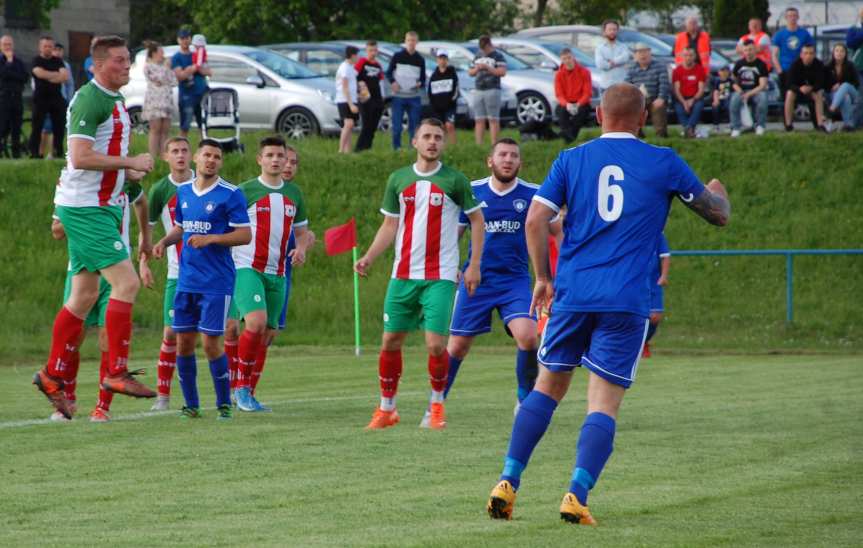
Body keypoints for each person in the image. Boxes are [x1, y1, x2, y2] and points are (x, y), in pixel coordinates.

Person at [485, 82, 730, 524]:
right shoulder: (664, 161)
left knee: (547, 389)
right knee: (603, 405)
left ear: (598, 115)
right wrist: (718, 190)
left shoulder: (571, 158)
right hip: (625, 299)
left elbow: (536, 218)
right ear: (641, 120)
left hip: (574, 294)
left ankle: (508, 480)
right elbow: (718, 214)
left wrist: (542, 277)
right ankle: (575, 495)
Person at [34, 36, 157, 419]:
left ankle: (52, 375)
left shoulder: (113, 99)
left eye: (127, 60)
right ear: (99, 65)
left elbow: (99, 154)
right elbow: (80, 157)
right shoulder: (90, 98)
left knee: (84, 295)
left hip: (97, 207)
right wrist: (129, 160)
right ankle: (116, 371)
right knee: (127, 284)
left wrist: (128, 170)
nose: (127, 66)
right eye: (121, 61)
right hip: (87, 209)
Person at [354, 118, 485, 430]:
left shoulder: (455, 180)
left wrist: (474, 265)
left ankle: (436, 406)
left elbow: (477, 221)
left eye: (438, 137)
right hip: (403, 276)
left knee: (436, 346)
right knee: (390, 340)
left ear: (444, 143)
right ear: (414, 142)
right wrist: (370, 257)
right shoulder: (398, 179)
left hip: (440, 276)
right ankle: (387, 409)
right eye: (426, 136)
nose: (432, 142)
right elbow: (390, 225)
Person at [421, 138, 561, 427]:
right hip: (477, 281)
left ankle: (524, 400)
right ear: (490, 161)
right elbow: (452, 235)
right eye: (502, 155)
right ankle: (435, 406)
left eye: (513, 156)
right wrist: (449, 269)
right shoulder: (472, 192)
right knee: (457, 346)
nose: (508, 159)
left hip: (516, 281)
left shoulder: (534, 195)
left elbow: (558, 232)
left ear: (519, 163)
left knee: (528, 336)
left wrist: (563, 271)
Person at [152, 140, 251, 420]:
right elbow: (181, 228)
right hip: (186, 281)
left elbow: (245, 234)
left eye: (217, 157)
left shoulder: (230, 194)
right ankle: (191, 405)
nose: (211, 160)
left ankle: (223, 404)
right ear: (196, 158)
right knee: (183, 343)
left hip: (216, 283)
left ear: (220, 162)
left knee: (210, 344)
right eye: (206, 155)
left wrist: (213, 239)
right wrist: (163, 242)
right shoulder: (182, 192)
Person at [51, 180, 152, 422]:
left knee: (108, 338)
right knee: (75, 337)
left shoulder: (123, 181)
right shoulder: (74, 184)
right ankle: (68, 400)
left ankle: (102, 407)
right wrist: (85, 219)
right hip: (81, 266)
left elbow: (142, 202)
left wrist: (144, 237)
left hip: (115, 266)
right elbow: (56, 230)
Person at [225, 147, 316, 400]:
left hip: (279, 273)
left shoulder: (294, 196)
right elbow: (228, 225)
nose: (281, 162)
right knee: (238, 325)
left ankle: (247, 392)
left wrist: (303, 247)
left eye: (287, 160)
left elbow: (302, 233)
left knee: (268, 332)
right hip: (246, 268)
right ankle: (236, 387)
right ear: (260, 159)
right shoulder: (245, 191)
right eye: (272, 156)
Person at [147, 137, 196, 411]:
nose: (180, 155)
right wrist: (143, 263)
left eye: (184, 151)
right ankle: (162, 396)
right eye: (174, 151)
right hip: (178, 274)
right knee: (170, 333)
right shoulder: (160, 190)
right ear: (166, 156)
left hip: (210, 273)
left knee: (226, 330)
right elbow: (148, 229)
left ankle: (237, 391)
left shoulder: (204, 185)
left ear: (192, 155)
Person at [28, 36, 68, 159]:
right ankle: (35, 153)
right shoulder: (36, 60)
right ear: (40, 47)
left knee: (59, 126)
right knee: (37, 126)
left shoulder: (58, 61)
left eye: (50, 46)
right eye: (45, 46)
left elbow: (65, 77)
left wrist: (47, 76)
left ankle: (58, 152)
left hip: (56, 97)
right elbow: (38, 72)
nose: (48, 48)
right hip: (40, 97)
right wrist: (56, 75)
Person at [386, 31, 426, 151]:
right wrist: (393, 82)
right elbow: (388, 73)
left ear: (417, 42)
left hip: (414, 96)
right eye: (409, 40)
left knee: (414, 125)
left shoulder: (420, 59)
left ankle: (412, 147)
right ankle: (396, 148)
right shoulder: (397, 56)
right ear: (405, 41)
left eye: (413, 41)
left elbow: (423, 78)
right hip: (399, 96)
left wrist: (420, 83)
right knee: (397, 125)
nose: (411, 43)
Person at [172, 28, 211, 139]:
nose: (185, 41)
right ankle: (182, 148)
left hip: (202, 92)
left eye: (187, 38)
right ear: (178, 40)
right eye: (182, 38)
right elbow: (180, 76)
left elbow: (209, 71)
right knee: (185, 126)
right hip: (187, 95)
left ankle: (203, 149)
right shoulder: (176, 57)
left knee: (203, 125)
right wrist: (195, 68)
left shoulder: (198, 54)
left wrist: (196, 68)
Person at [142, 41, 177, 162]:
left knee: (165, 130)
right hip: (154, 102)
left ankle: (164, 156)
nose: (163, 55)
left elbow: (173, 81)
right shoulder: (148, 66)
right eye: (161, 52)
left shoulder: (164, 66)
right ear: (154, 53)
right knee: (155, 129)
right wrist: (166, 69)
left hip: (166, 101)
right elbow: (159, 79)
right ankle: (152, 156)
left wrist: (167, 71)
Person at [624, 43, 669, 138]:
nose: (643, 55)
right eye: (640, 52)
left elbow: (664, 84)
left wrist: (661, 98)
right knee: (631, 107)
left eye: (645, 52)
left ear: (650, 53)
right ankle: (636, 136)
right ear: (635, 55)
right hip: (638, 99)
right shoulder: (631, 67)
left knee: (658, 107)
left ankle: (661, 137)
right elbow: (627, 86)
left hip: (655, 98)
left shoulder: (660, 66)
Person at [469, 36, 507, 145]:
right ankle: (478, 144)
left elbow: (502, 72)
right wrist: (477, 68)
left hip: (492, 89)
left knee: (493, 119)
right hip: (479, 89)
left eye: (485, 48)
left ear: (489, 45)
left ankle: (494, 144)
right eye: (482, 48)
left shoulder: (498, 56)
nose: (483, 51)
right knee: (479, 119)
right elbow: (470, 72)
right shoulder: (478, 55)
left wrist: (488, 68)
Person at [730, 40, 769, 137]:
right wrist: (740, 91)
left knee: (763, 100)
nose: (748, 52)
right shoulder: (739, 64)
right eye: (746, 50)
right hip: (742, 91)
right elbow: (733, 82)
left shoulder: (761, 64)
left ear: (755, 49)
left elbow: (762, 85)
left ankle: (760, 126)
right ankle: (736, 128)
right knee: (734, 101)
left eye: (750, 49)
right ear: (743, 51)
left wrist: (749, 94)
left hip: (756, 90)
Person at [772, 7, 814, 96]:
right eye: (790, 16)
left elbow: (811, 51)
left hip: (802, 69)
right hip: (785, 69)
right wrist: (780, 71)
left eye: (794, 15)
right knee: (786, 95)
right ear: (786, 17)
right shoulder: (779, 34)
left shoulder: (804, 33)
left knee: (803, 94)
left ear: (798, 17)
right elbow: (774, 55)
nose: (792, 18)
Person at [785, 44, 827, 131]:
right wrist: (799, 89)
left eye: (811, 53)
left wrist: (811, 88)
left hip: (812, 90)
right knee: (789, 94)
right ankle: (789, 125)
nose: (808, 56)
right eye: (806, 53)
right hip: (798, 90)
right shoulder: (795, 65)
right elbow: (789, 83)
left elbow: (821, 83)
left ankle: (820, 125)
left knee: (818, 94)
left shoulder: (819, 64)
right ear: (801, 55)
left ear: (814, 54)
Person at [554, 47, 592, 144]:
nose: (567, 61)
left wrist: (578, 104)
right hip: (567, 103)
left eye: (569, 58)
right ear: (561, 60)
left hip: (581, 102)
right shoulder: (558, 75)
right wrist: (567, 104)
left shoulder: (585, 72)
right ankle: (568, 137)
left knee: (581, 113)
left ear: (573, 58)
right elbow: (559, 94)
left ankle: (569, 137)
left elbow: (587, 93)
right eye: (564, 59)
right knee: (561, 112)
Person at [641, 233, 670, 358]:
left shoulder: (657, 234)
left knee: (655, 316)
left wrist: (663, 276)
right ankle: (635, 345)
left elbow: (665, 256)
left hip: (653, 281)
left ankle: (644, 343)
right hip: (635, 281)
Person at [354, 40, 385, 152]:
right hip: (365, 98)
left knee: (373, 126)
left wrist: (382, 98)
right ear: (367, 51)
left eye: (375, 50)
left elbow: (381, 81)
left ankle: (368, 147)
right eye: (371, 50)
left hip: (377, 98)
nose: (373, 52)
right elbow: (354, 76)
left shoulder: (378, 65)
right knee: (366, 125)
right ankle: (359, 148)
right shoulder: (362, 62)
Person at [0, 35, 27, 158]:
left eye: (9, 44)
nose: (7, 47)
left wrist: (11, 73)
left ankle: (16, 154)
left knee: (16, 126)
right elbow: (3, 75)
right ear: (1, 46)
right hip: (3, 98)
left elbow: (24, 77)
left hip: (17, 98)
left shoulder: (19, 62)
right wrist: (9, 63)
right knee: (3, 126)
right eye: (5, 44)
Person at [671, 47, 707, 138]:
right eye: (686, 55)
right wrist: (684, 102)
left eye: (691, 55)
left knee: (698, 107)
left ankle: (688, 129)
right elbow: (676, 89)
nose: (688, 57)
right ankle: (690, 130)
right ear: (682, 56)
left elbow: (701, 89)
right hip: (681, 98)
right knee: (679, 109)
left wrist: (692, 100)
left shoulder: (700, 69)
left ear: (694, 56)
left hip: (696, 97)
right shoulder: (677, 70)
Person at [824, 43, 860, 131]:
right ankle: (848, 125)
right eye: (837, 51)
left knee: (845, 85)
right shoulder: (828, 66)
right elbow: (824, 85)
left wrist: (840, 85)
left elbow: (856, 83)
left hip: (852, 92)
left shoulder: (850, 65)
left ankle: (831, 110)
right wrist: (832, 87)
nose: (839, 53)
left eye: (842, 51)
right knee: (845, 97)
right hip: (834, 94)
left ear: (845, 53)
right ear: (833, 53)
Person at [428, 49, 459, 145]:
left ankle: (454, 146)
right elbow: (430, 92)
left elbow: (456, 90)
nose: (442, 61)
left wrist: (450, 102)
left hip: (450, 106)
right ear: (437, 60)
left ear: (447, 60)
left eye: (444, 58)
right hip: (437, 107)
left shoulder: (452, 73)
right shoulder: (433, 76)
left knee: (449, 125)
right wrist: (434, 105)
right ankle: (443, 147)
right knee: (440, 128)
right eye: (440, 58)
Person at [335, 46, 360, 154]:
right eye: (357, 55)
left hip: (351, 99)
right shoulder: (344, 68)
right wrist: (350, 104)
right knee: (348, 124)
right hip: (344, 100)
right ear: (353, 55)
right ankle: (341, 150)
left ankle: (347, 151)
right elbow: (345, 87)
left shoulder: (351, 67)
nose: (358, 58)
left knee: (350, 126)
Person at [594, 20, 630, 89]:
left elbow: (625, 58)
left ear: (617, 31)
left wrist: (611, 61)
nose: (612, 32)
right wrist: (618, 63)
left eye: (614, 29)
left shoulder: (623, 46)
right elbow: (600, 64)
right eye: (609, 29)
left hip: (621, 85)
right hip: (605, 86)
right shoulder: (599, 48)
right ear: (604, 31)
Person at [847, 7, 863, 128]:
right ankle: (852, 123)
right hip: (860, 67)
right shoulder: (854, 29)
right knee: (860, 96)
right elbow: (850, 43)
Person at [711, 66, 733, 132]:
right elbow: (715, 91)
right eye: (722, 71)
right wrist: (715, 100)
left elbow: (735, 88)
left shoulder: (730, 81)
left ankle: (729, 124)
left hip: (728, 98)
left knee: (728, 107)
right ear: (719, 72)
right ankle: (716, 125)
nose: (724, 73)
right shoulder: (717, 81)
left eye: (725, 71)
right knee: (715, 107)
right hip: (720, 98)